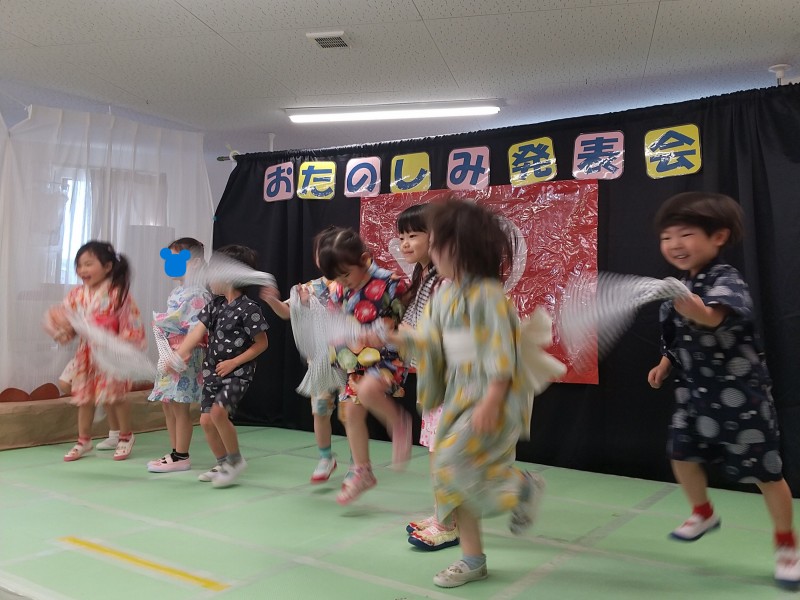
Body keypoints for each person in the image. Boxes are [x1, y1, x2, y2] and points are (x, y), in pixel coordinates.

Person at [363, 199, 545, 588]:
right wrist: (393, 337)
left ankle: (520, 488)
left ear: (460, 248)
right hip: (460, 394)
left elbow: (503, 352)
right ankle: (473, 559)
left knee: (450, 465)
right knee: (451, 477)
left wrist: (492, 399)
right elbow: (430, 341)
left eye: (436, 244)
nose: (430, 252)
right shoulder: (445, 294)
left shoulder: (489, 296)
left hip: (491, 396)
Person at [647, 191, 800, 588]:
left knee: (767, 474)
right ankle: (703, 512)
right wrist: (665, 364)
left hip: (742, 398)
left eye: (686, 234)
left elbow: (714, 317)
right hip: (695, 395)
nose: (675, 244)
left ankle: (787, 545)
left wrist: (692, 306)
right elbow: (675, 338)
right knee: (680, 454)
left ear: (718, 237)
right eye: (667, 237)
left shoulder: (726, 279)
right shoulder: (679, 287)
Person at [317, 228, 411, 505]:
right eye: (337, 278)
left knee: (369, 392)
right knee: (350, 414)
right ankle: (362, 471)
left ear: (365, 259)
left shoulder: (388, 283)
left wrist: (381, 331)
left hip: (386, 358)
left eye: (346, 274)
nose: (342, 282)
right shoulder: (337, 289)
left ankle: (398, 423)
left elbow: (402, 317)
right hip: (355, 361)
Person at [172, 245, 269, 488]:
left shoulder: (249, 309)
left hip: (237, 373)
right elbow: (196, 333)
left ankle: (235, 461)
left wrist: (235, 362)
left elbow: (262, 343)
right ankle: (223, 463)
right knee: (206, 421)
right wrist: (178, 355)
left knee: (218, 413)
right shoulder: (214, 305)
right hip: (212, 372)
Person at [44, 240, 145, 462]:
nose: (82, 270)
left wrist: (121, 345)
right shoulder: (76, 295)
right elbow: (69, 321)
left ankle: (125, 435)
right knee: (84, 397)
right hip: (86, 354)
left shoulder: (118, 294)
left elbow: (132, 325)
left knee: (116, 397)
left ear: (107, 267)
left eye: (88, 264)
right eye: (79, 265)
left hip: (111, 355)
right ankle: (83, 440)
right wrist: (62, 330)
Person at [393, 205, 456, 551]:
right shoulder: (424, 277)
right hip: (435, 380)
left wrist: (402, 334)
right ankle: (443, 515)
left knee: (444, 455)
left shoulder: (445, 280)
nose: (405, 243)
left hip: (452, 381)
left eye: (413, 235)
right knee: (437, 451)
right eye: (401, 236)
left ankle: (448, 524)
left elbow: (438, 334)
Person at [259, 226, 343, 483]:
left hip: (354, 360)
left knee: (353, 413)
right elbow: (287, 312)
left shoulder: (355, 285)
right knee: (320, 410)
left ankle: (360, 464)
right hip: (322, 362)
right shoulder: (308, 288)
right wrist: (273, 301)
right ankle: (326, 457)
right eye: (321, 250)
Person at [147, 237, 212, 473]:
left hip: (186, 354)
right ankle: (174, 451)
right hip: (169, 352)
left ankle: (181, 454)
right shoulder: (177, 291)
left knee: (180, 404)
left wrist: (182, 351)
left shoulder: (199, 293)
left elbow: (197, 328)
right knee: (168, 403)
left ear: (194, 263)